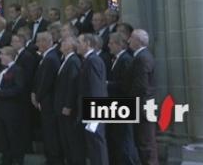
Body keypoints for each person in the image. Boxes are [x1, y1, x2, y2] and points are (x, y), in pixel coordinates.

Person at [107, 33, 140, 165]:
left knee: (124, 141)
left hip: (124, 104)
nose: (108, 45)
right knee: (117, 139)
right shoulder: (117, 58)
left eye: (111, 43)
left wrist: (108, 84)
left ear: (119, 44)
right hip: (116, 104)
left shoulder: (125, 59)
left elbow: (126, 84)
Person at [128, 29, 159, 165]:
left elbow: (141, 86)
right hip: (143, 104)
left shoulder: (142, 57)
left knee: (146, 143)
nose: (129, 41)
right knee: (143, 142)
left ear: (138, 41)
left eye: (131, 38)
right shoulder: (141, 56)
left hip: (143, 106)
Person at [0, 46, 26, 165]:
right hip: (0, 108)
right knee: (3, 136)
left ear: (9, 56)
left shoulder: (17, 70)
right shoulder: (2, 70)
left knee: (13, 136)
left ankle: (17, 159)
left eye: (2, 54)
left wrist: (1, 93)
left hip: (12, 109)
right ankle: (6, 158)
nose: (0, 56)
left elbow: (18, 88)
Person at [77, 34, 109, 165]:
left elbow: (96, 87)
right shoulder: (88, 60)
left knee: (97, 142)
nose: (77, 45)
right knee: (92, 143)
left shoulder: (93, 60)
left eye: (79, 42)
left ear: (88, 43)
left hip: (95, 108)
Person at [31, 32, 62, 165]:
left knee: (50, 132)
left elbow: (46, 81)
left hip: (48, 101)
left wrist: (37, 97)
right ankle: (51, 157)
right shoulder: (47, 57)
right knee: (47, 131)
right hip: (46, 100)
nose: (37, 44)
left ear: (45, 42)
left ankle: (54, 159)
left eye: (39, 41)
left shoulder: (50, 58)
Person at [54, 36, 84, 165]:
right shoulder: (66, 60)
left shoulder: (73, 61)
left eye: (64, 41)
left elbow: (72, 85)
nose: (61, 43)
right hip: (61, 106)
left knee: (72, 140)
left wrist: (68, 105)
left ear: (71, 45)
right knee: (65, 139)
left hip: (68, 108)